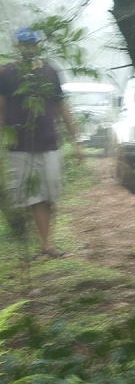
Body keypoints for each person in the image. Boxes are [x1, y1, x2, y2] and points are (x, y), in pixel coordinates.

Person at [0, 26, 83, 259]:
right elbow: (1, 108)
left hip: (48, 142)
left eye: (31, 43)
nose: (28, 48)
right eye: (23, 44)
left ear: (37, 45)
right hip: (19, 146)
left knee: (50, 194)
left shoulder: (49, 71)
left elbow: (61, 107)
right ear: (17, 46)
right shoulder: (6, 72)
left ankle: (47, 244)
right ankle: (43, 245)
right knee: (28, 197)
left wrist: (76, 140)